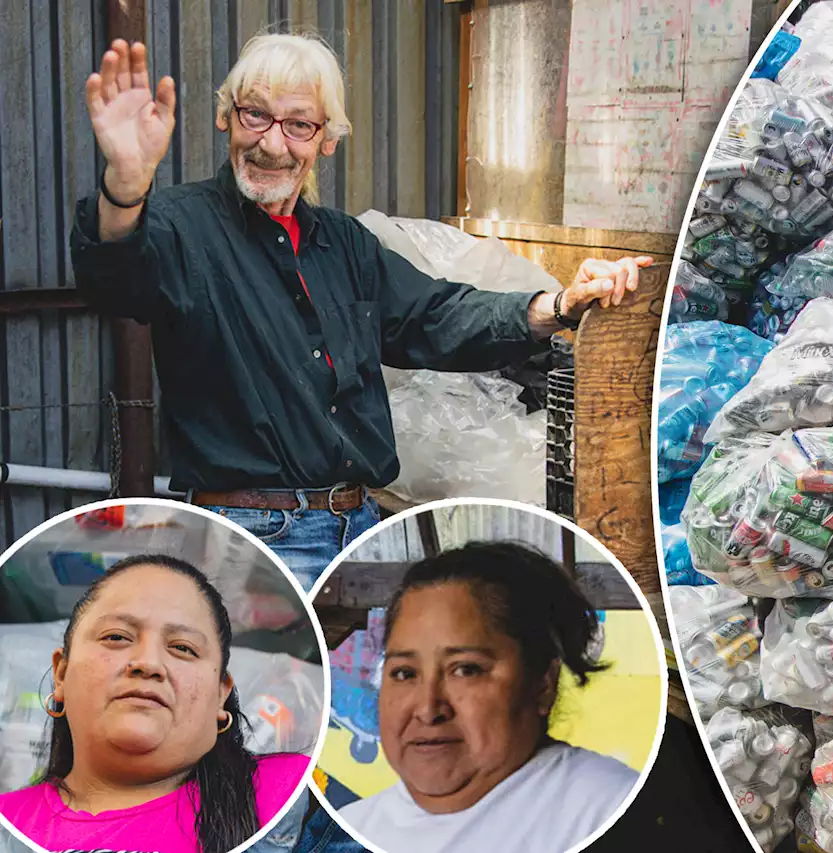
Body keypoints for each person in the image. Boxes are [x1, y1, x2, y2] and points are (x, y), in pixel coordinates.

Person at [71, 32, 654, 589]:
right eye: (255, 115)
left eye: (298, 124)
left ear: (327, 139)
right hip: (252, 540)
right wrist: (125, 184)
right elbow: (114, 280)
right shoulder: (180, 225)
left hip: (363, 530)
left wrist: (557, 305)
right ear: (226, 117)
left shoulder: (344, 243)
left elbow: (434, 317)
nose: (274, 143)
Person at [335, 542, 640, 853]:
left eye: (466, 670)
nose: (428, 710)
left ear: (542, 685)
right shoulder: (353, 828)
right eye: (404, 673)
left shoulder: (612, 811)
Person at [0, 555, 311, 853]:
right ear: (61, 674)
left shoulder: (289, 791)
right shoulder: (8, 820)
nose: (148, 663)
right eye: (117, 637)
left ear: (221, 696)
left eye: (182, 648)